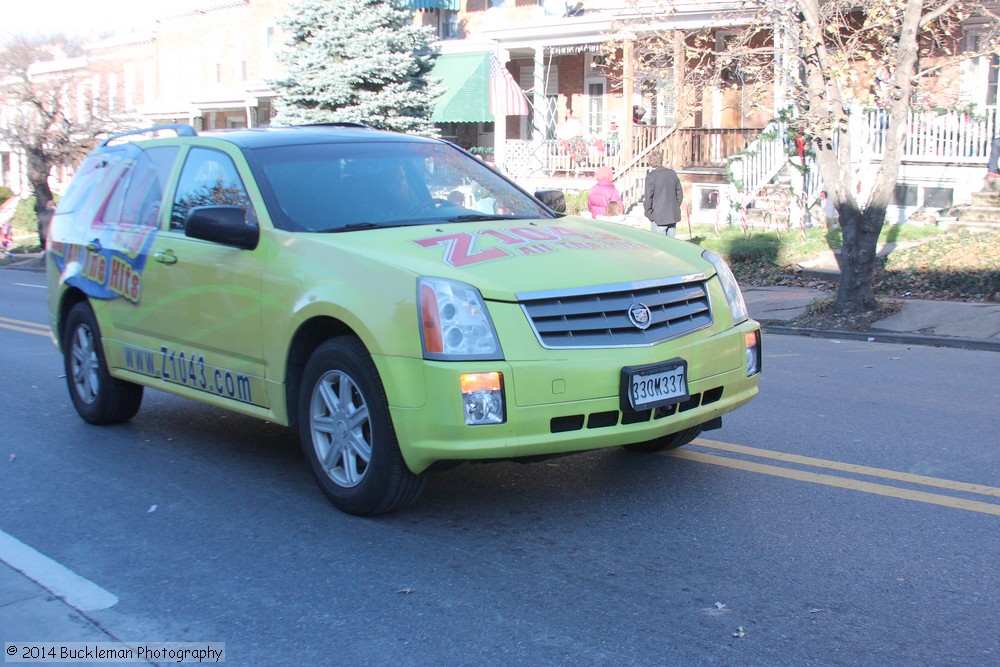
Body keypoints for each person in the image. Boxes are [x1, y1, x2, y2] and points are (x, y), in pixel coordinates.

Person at [643, 150, 683, 236]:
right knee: (671, 245)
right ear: (661, 160)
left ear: (650, 162)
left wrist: (649, 215)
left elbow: (648, 199)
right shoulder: (672, 173)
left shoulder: (651, 176)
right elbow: (679, 194)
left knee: (659, 246)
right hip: (672, 215)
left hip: (658, 218)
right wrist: (675, 206)